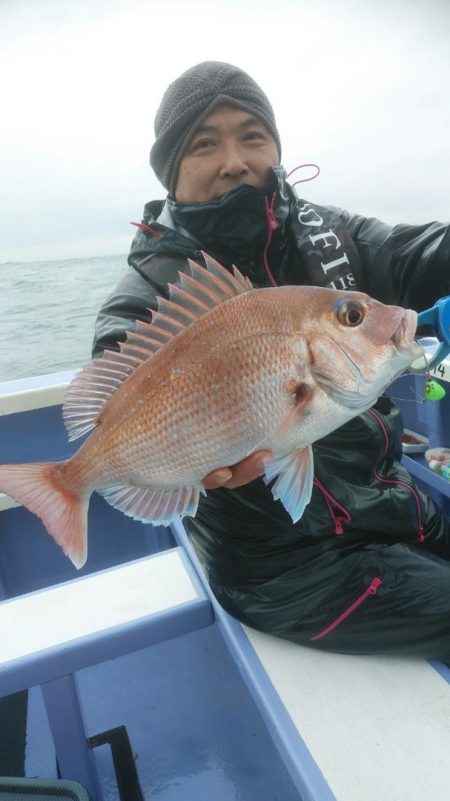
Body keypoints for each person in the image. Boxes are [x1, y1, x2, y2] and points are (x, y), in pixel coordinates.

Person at [93, 61, 450, 658]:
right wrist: (189, 446)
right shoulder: (144, 302)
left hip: (396, 507)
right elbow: (116, 382)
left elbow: (417, 254)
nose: (235, 159)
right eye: (205, 143)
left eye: (252, 135)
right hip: (291, 574)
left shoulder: (329, 235)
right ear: (170, 171)